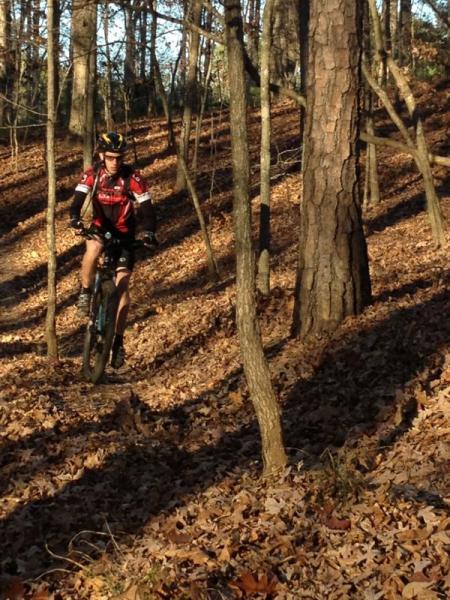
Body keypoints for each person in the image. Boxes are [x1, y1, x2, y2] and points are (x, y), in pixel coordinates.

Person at [69, 132, 157, 368]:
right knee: (93, 250)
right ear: (101, 155)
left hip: (125, 235)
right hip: (99, 228)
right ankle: (86, 292)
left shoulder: (133, 179)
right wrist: (75, 219)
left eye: (119, 157)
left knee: (123, 290)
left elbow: (147, 209)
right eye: (110, 157)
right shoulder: (93, 175)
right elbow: (77, 201)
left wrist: (150, 232)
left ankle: (117, 340)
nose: (115, 162)